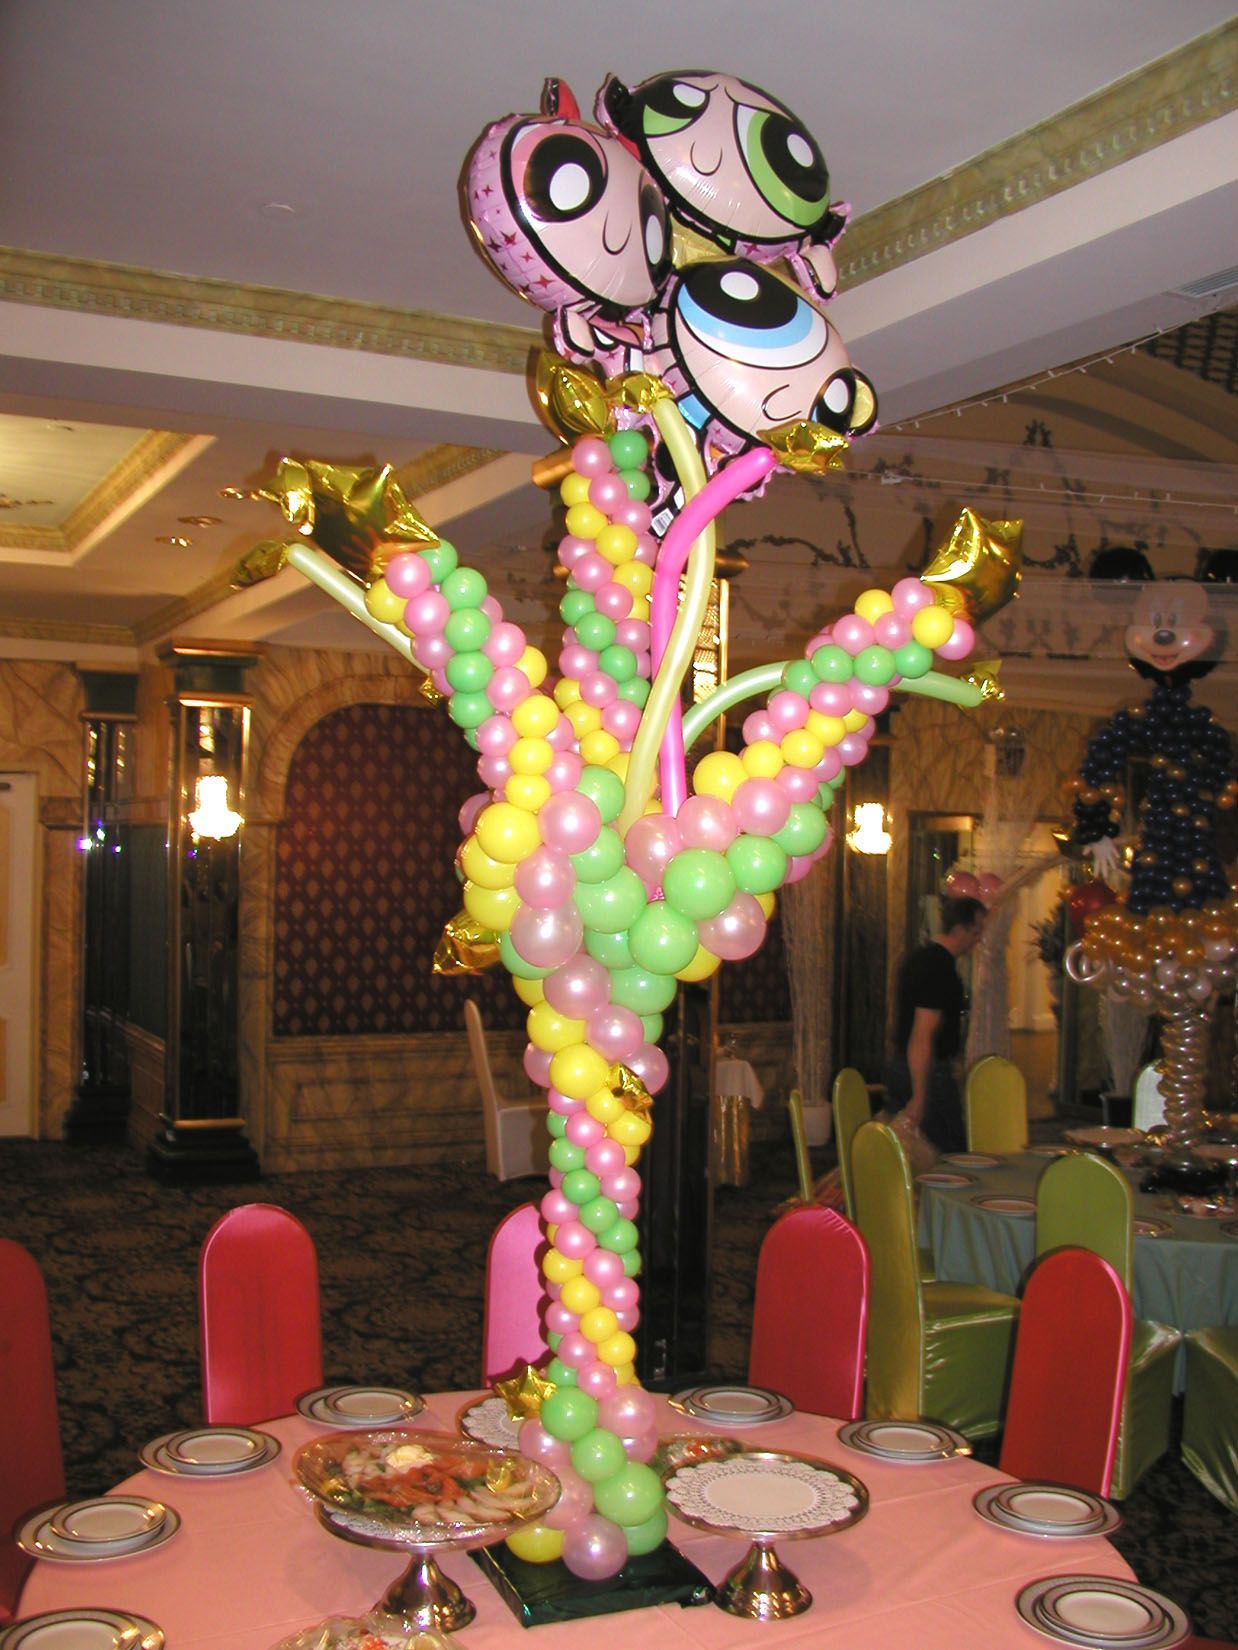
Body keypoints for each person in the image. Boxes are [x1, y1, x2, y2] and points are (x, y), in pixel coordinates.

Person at [884, 894, 987, 1156]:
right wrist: (920, 1096)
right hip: (926, 1073)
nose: (978, 940)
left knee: (909, 1153)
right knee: (951, 1156)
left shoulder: (920, 958)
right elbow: (922, 1034)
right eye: (976, 932)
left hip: (906, 1066)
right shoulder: (938, 967)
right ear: (959, 929)